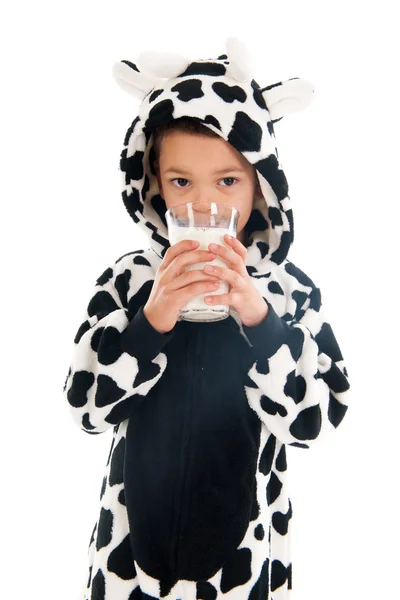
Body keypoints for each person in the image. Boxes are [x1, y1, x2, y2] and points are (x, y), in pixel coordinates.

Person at [63, 36, 351, 600]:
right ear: (150, 183)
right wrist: (152, 321)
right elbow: (87, 410)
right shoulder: (126, 282)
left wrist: (260, 318)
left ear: (261, 185)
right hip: (130, 560)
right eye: (180, 182)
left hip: (246, 559)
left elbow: (317, 421)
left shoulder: (291, 294)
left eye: (227, 181)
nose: (203, 206)